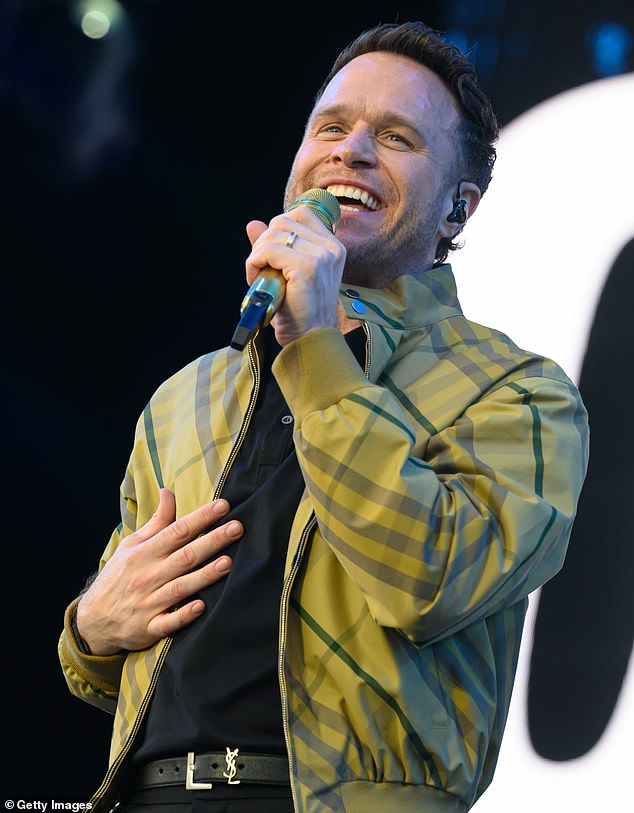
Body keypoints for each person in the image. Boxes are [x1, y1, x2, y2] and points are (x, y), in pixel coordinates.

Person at [59, 21, 589, 813]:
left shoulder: (520, 393)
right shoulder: (186, 396)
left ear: (457, 209)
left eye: (398, 136)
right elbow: (117, 648)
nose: (353, 150)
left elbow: (431, 581)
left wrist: (314, 342)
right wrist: (88, 629)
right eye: (331, 126)